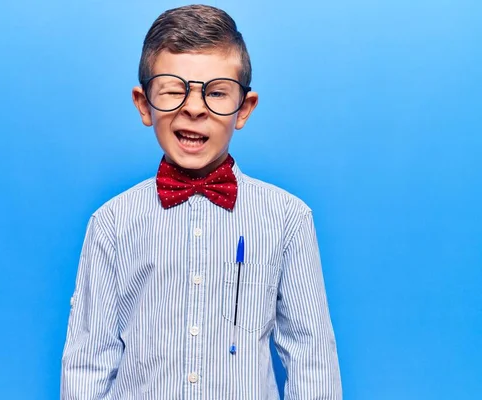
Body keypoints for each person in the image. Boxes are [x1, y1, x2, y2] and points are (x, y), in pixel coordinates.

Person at [61, 4, 342, 399]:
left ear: (244, 108)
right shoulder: (111, 223)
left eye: (217, 93)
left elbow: (311, 358)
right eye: (174, 90)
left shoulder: (288, 219)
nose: (194, 108)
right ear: (144, 104)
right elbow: (88, 363)